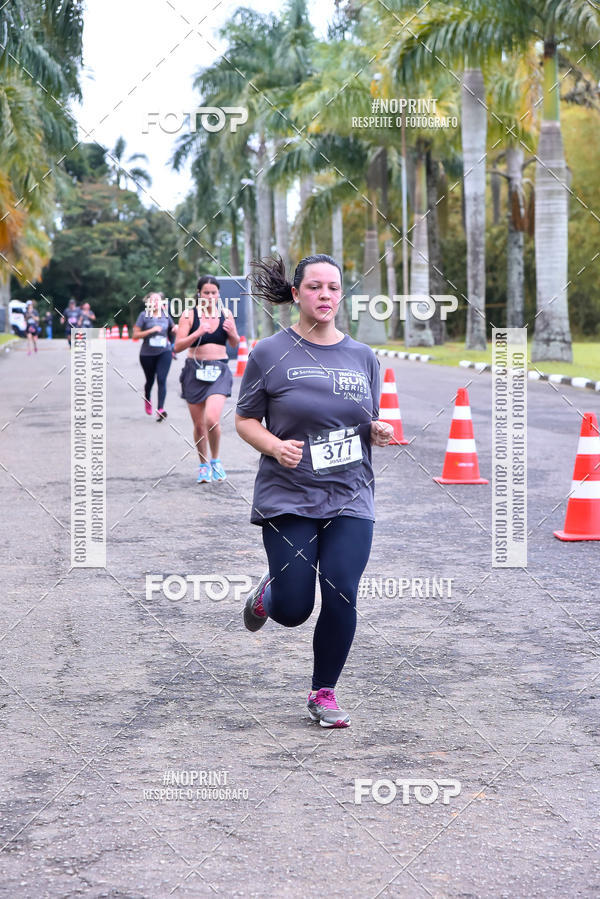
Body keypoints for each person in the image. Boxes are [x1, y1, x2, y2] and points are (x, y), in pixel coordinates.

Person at [236, 254, 393, 729]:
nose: (325, 295)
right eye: (315, 287)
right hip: (288, 494)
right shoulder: (269, 352)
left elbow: (365, 420)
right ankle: (269, 596)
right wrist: (273, 445)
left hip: (350, 493)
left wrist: (377, 431)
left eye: (333, 288)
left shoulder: (364, 357)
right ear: (297, 294)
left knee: (342, 590)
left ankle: (324, 692)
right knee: (294, 608)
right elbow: (245, 418)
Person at [174, 275, 240, 482]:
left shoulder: (226, 314)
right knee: (199, 425)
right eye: (206, 293)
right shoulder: (189, 315)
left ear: (218, 294)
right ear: (199, 294)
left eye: (214, 292)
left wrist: (232, 334)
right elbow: (177, 346)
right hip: (195, 370)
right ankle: (203, 464)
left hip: (219, 370)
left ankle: (216, 461)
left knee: (212, 420)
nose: (210, 296)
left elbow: (235, 344)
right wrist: (198, 332)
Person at [133, 292, 176, 422]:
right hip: (147, 354)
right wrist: (151, 331)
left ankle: (160, 410)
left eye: (158, 300)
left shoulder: (166, 315)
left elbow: (172, 330)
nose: (156, 302)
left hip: (164, 352)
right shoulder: (143, 316)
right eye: (153, 300)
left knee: (162, 379)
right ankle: (147, 397)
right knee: (150, 380)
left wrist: (175, 331)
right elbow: (135, 335)